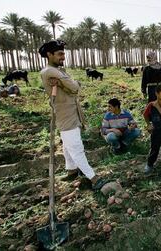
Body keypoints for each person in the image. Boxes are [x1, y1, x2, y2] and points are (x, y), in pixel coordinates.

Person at [38, 40, 107, 190]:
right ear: (49, 55)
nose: (63, 57)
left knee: (67, 144)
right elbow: (75, 87)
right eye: (59, 54)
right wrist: (69, 85)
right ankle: (93, 177)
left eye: (63, 53)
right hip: (65, 113)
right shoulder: (50, 71)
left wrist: (66, 84)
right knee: (75, 146)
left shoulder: (59, 71)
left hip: (70, 112)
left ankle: (72, 170)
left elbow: (73, 87)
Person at [143, 83, 161, 174]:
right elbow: (145, 115)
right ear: (157, 94)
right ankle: (150, 164)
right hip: (156, 130)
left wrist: (157, 106)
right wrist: (148, 124)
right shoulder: (151, 105)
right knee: (154, 148)